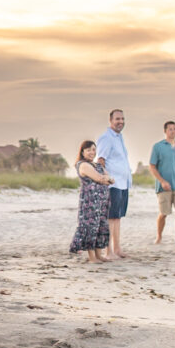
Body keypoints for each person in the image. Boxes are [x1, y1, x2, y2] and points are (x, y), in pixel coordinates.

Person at [95, 109, 132, 258]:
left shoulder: (119, 138)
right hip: (113, 184)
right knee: (110, 218)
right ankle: (108, 251)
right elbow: (101, 160)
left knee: (117, 217)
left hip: (123, 184)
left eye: (122, 119)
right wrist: (105, 178)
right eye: (117, 119)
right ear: (110, 121)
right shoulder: (106, 138)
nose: (120, 122)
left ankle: (117, 248)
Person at [69, 140, 113, 263]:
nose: (92, 152)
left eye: (93, 149)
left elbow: (110, 179)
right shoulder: (82, 165)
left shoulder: (97, 165)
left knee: (101, 226)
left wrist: (106, 179)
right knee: (91, 227)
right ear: (82, 152)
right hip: (90, 202)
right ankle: (92, 257)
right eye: (88, 150)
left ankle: (99, 255)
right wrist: (105, 179)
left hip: (102, 202)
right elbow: (100, 178)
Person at [149, 120, 175, 246]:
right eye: (170, 129)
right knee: (163, 214)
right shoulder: (158, 146)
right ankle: (159, 237)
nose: (173, 131)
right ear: (165, 131)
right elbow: (152, 166)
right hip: (164, 187)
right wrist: (162, 181)